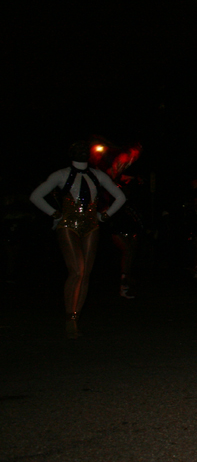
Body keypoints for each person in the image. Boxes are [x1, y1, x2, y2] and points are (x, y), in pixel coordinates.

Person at [30, 140, 126, 338]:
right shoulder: (61, 174)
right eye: (78, 149)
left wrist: (104, 216)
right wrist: (54, 213)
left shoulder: (98, 175)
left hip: (91, 226)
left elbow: (121, 197)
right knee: (77, 270)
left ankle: (75, 316)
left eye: (84, 149)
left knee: (85, 273)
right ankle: (70, 318)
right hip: (68, 225)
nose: (82, 152)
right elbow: (36, 196)